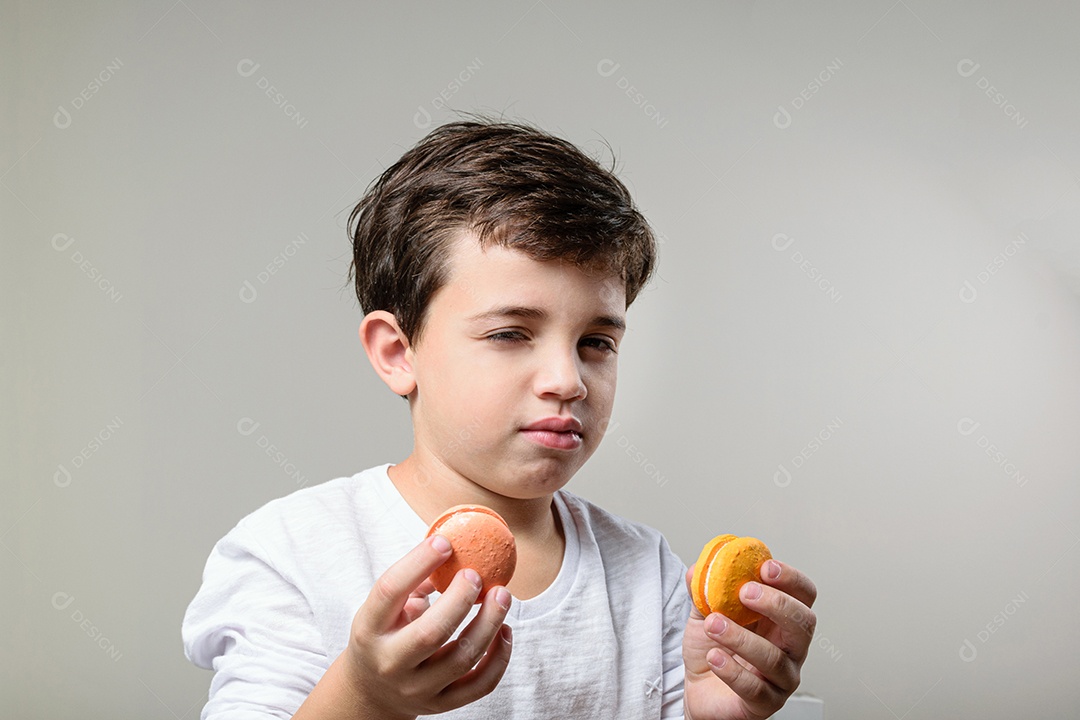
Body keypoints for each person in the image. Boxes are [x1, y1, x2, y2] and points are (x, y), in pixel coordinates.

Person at [182, 116, 818, 719]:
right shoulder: (293, 552)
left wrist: (708, 713)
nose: (568, 380)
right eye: (511, 333)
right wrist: (365, 697)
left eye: (597, 341)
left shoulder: (645, 570)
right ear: (399, 353)